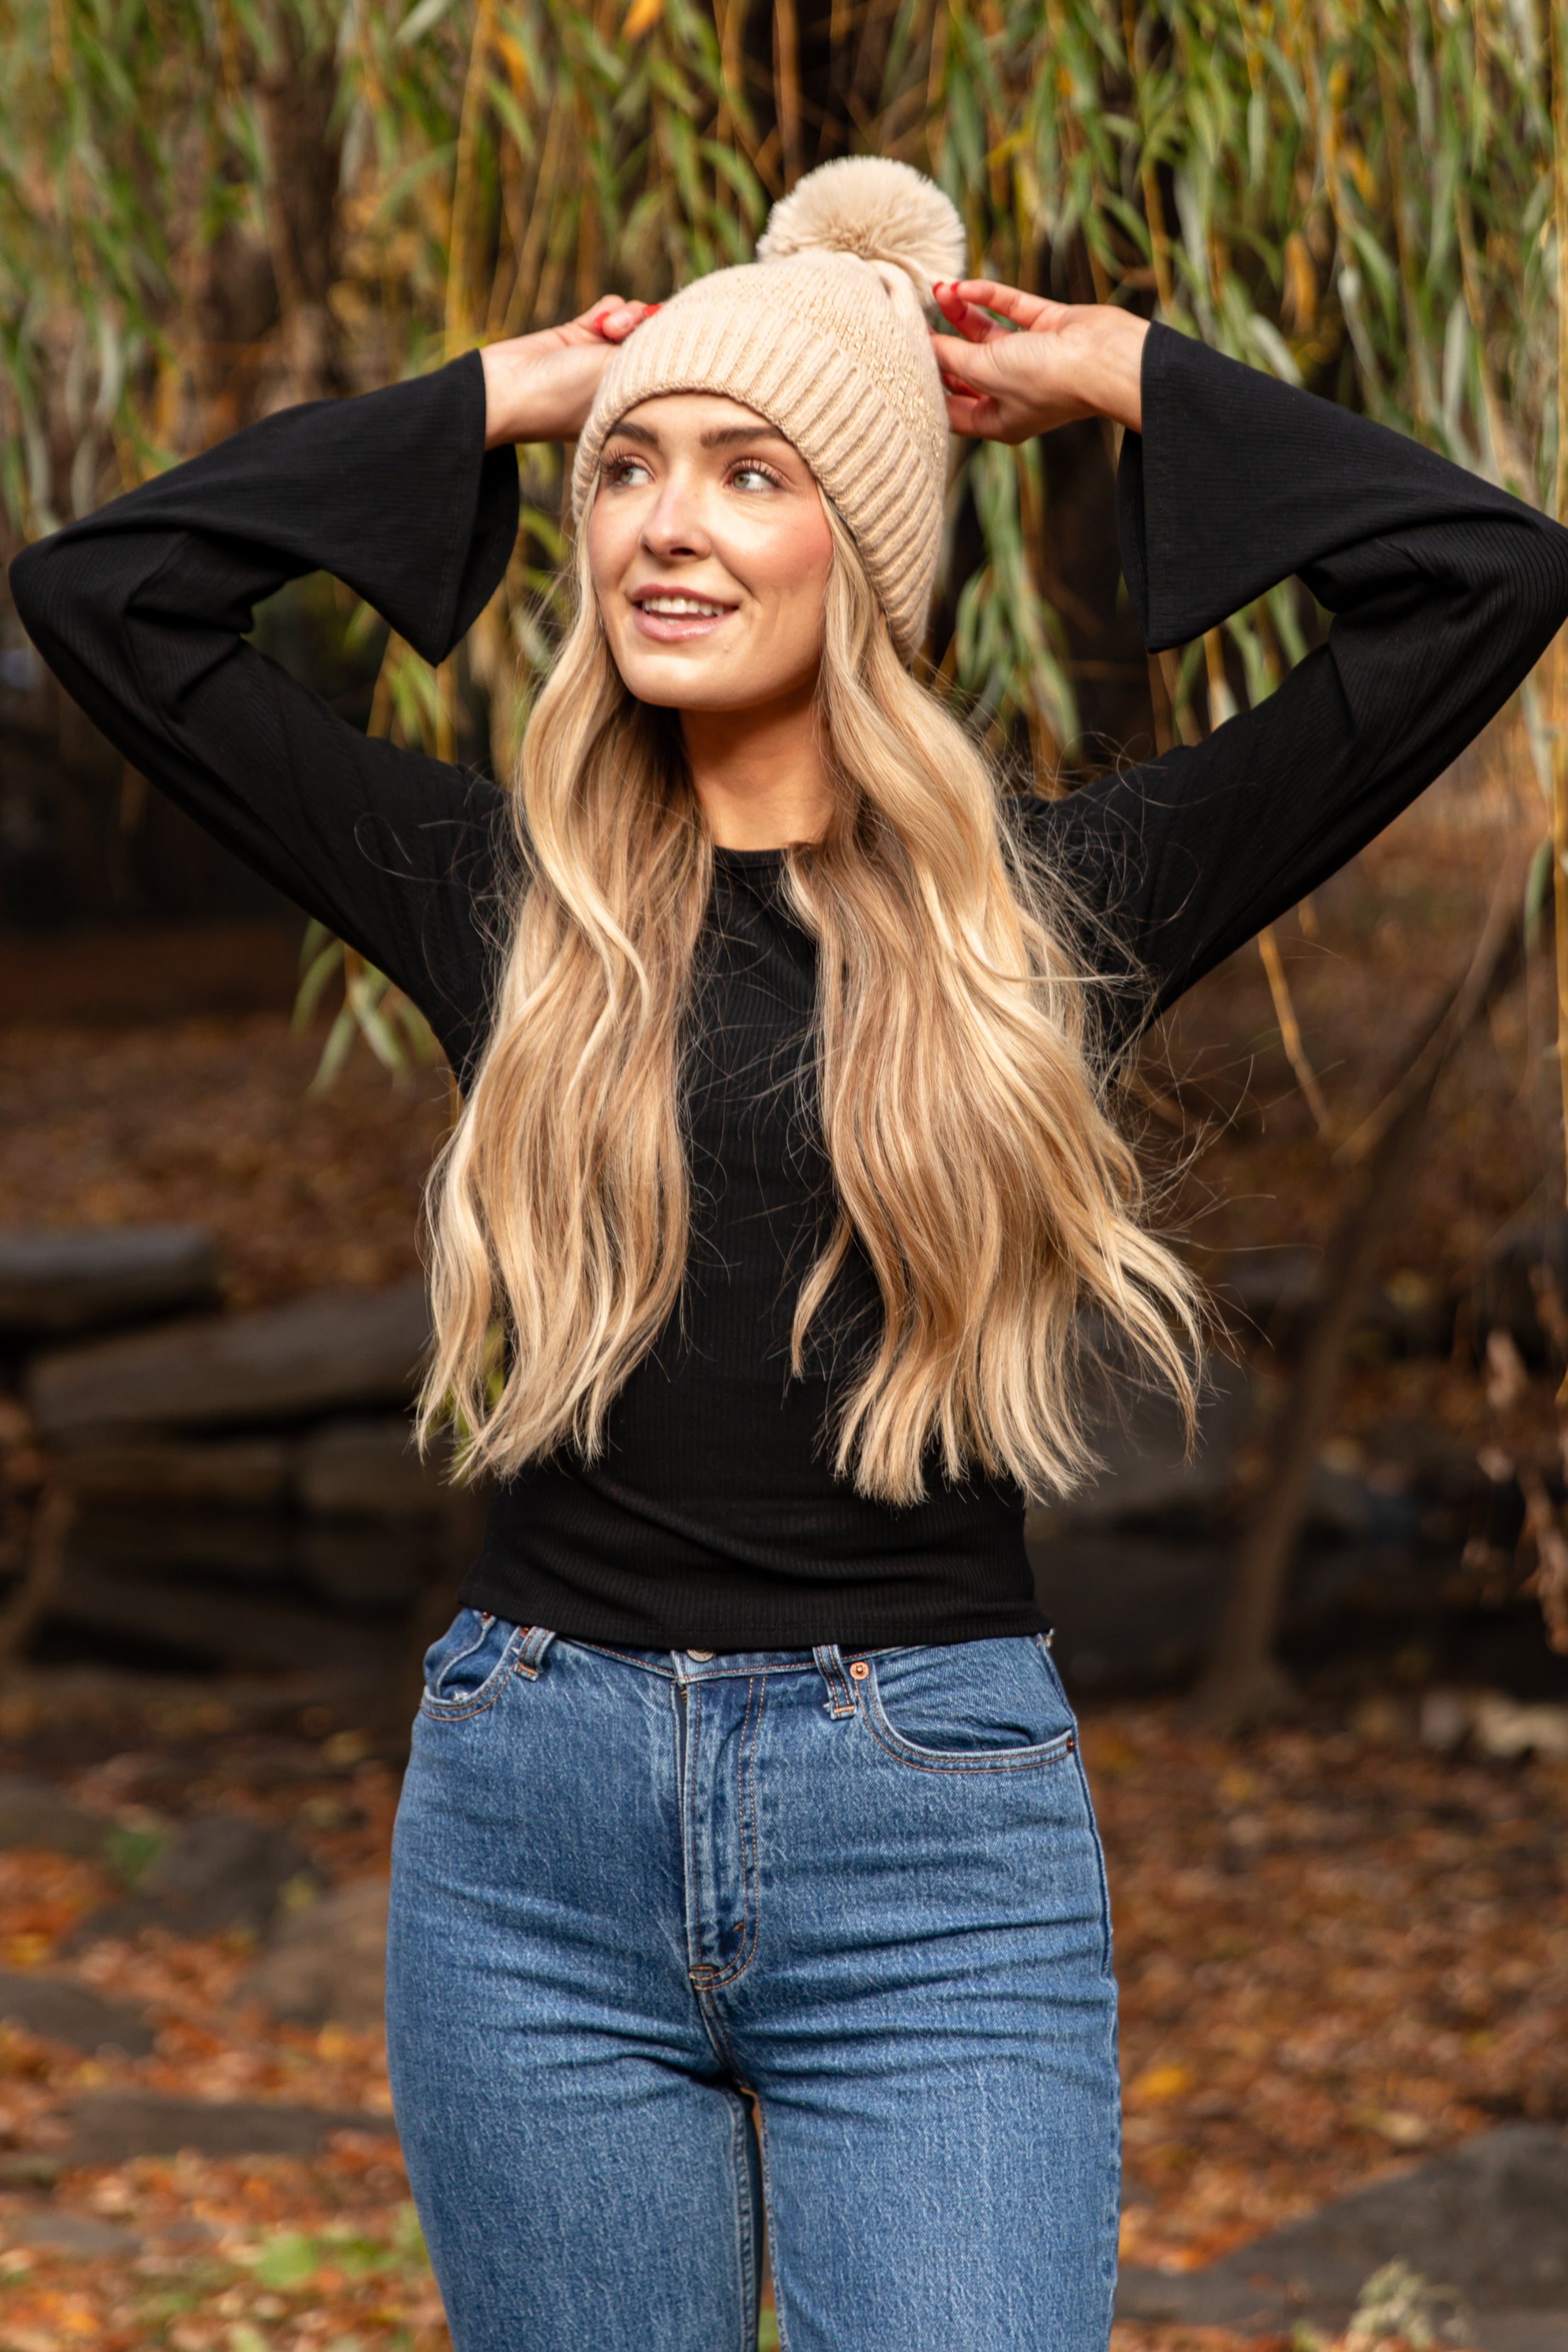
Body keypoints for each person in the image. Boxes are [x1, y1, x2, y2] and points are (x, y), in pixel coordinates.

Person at [11, 154, 1568, 2352]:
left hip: (929, 1843)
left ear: (869, 552)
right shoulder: (503, 899)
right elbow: (112, 593)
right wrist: (496, 396)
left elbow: (1478, 578)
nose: (665, 523)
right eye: (631, 477)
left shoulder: (1044, 913)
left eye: (752, 474)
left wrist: (1099, 368)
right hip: (528, 1834)